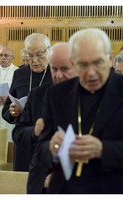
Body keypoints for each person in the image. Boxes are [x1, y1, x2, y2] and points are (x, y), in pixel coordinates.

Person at [31, 28, 123, 194]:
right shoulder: (57, 93)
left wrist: (102, 150)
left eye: (97, 63)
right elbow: (40, 151)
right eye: (83, 65)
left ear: (110, 59)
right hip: (65, 189)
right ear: (74, 62)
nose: (91, 73)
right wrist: (52, 149)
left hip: (118, 189)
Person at [13, 43, 78, 191]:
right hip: (40, 181)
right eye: (54, 69)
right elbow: (18, 133)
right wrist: (34, 131)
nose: (58, 75)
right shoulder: (37, 94)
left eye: (65, 69)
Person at [2, 33, 53, 171]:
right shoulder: (20, 74)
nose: (34, 60)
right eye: (30, 55)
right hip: (24, 140)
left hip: (48, 140)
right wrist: (13, 112)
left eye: (39, 54)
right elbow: (6, 110)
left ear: (49, 51)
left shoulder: (57, 74)